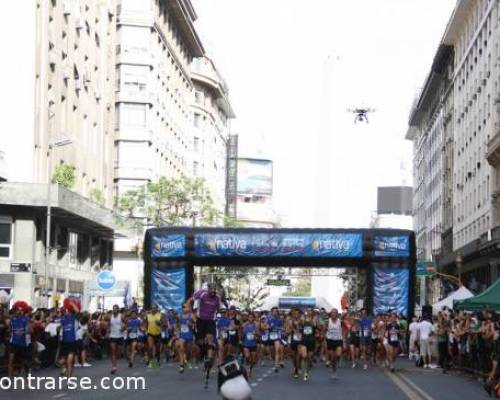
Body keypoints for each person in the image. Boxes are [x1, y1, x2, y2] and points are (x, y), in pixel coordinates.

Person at [189, 282, 227, 383]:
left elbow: (218, 309)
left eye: (215, 290)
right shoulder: (201, 294)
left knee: (210, 339)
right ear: (208, 289)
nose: (213, 292)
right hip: (200, 321)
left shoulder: (218, 298)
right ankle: (203, 354)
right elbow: (189, 302)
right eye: (212, 290)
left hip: (210, 321)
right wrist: (192, 315)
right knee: (199, 343)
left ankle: (209, 359)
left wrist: (222, 307)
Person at [7, 303, 32, 377]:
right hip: (13, 342)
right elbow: (10, 329)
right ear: (15, 310)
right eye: (17, 310)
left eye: (21, 310)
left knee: (24, 361)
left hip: (22, 343)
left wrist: (25, 330)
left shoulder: (26, 319)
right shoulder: (12, 319)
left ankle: (27, 373)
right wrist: (9, 332)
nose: (19, 311)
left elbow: (29, 330)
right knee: (10, 360)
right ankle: (9, 377)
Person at [326, 308, 343, 379]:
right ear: (331, 314)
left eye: (335, 312)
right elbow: (324, 329)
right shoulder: (327, 321)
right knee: (333, 358)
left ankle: (337, 360)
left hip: (338, 340)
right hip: (330, 340)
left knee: (338, 354)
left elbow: (346, 329)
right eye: (332, 312)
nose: (333, 314)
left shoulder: (340, 321)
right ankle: (334, 371)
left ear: (337, 314)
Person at [145, 304, 163, 368]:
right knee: (150, 347)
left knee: (158, 349)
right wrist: (145, 329)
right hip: (150, 334)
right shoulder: (148, 316)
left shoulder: (160, 315)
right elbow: (146, 324)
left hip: (158, 334)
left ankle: (158, 361)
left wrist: (160, 323)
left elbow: (165, 324)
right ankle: (150, 361)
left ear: (157, 309)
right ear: (151, 309)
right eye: (152, 308)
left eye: (155, 308)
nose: (153, 309)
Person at [108, 305, 124, 374]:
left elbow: (126, 324)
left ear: (118, 310)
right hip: (112, 336)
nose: (114, 310)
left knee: (119, 352)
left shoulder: (121, 316)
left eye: (116, 309)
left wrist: (123, 328)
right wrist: (108, 330)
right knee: (113, 352)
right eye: (113, 309)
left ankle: (128, 360)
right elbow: (108, 325)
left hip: (120, 336)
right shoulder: (110, 316)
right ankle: (114, 367)